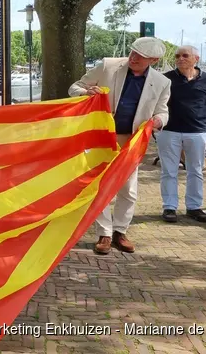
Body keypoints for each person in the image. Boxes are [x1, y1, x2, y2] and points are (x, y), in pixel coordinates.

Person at [69, 37, 170, 255]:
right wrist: (86, 93)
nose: (133, 58)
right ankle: (104, 233)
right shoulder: (107, 65)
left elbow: (163, 110)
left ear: (153, 60)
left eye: (140, 57)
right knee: (101, 185)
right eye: (132, 53)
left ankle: (120, 232)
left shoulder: (162, 82)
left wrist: (159, 121)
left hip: (131, 140)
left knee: (129, 189)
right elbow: (74, 87)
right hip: (100, 137)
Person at [157, 45, 206, 223]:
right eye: (177, 56)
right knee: (169, 171)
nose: (180, 59)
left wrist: (199, 119)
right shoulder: (166, 79)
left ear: (196, 59)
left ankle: (194, 207)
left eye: (185, 55)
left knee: (196, 170)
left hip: (197, 131)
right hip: (169, 131)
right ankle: (169, 207)